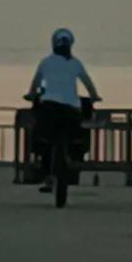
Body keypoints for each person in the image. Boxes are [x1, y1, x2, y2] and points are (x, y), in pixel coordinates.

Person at [27, 28, 100, 192]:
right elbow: (88, 83)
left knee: (44, 139)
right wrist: (94, 96)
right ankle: (73, 160)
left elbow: (36, 83)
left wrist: (31, 95)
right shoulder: (75, 63)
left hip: (49, 107)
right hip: (71, 108)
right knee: (75, 137)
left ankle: (46, 174)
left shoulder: (46, 62)